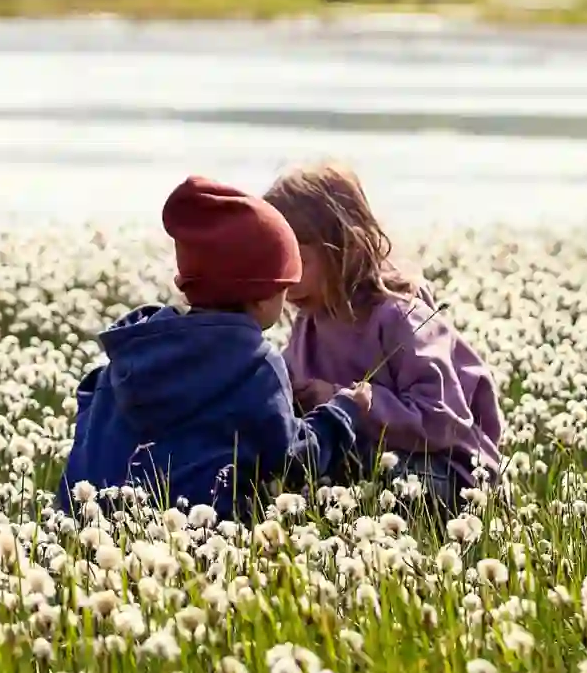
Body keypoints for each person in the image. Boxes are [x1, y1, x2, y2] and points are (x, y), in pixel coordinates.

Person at [55, 175, 371, 520]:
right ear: (264, 294)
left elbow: (89, 403)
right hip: (199, 531)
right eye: (284, 286)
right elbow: (290, 461)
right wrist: (341, 414)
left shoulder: (135, 349)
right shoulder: (256, 365)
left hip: (91, 520)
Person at [265, 162, 503, 513]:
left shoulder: (400, 317)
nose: (286, 277)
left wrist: (352, 405)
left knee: (362, 477)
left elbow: (442, 418)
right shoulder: (309, 324)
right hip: (373, 464)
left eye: (297, 259)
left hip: (452, 478)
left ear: (342, 246)